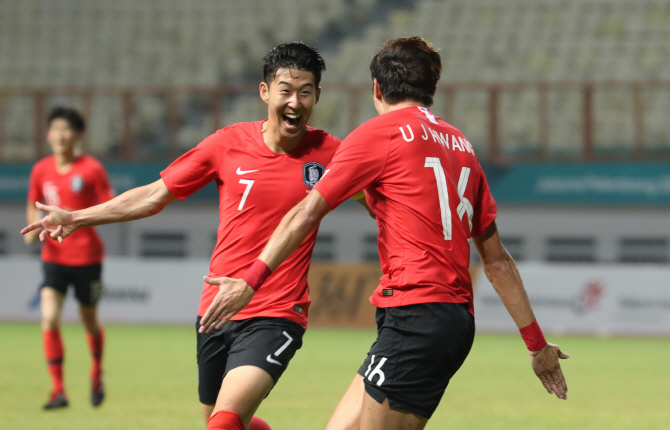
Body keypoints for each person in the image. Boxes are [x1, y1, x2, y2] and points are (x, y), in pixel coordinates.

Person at [196, 37, 570, 430]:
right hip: (449, 317)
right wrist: (536, 344)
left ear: (377, 88)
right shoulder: (462, 146)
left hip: (416, 313)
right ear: (431, 88)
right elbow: (496, 262)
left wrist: (251, 280)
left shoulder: (378, 135)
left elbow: (306, 212)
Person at [22, 42, 371, 430]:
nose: (295, 102)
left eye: (305, 92)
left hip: (276, 312)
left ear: (317, 96)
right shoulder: (227, 144)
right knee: (220, 420)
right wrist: (77, 217)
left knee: (223, 423)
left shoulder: (331, 154)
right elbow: (154, 195)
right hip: (216, 308)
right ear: (265, 92)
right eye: (285, 90)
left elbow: (378, 203)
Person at [24, 106, 115, 410]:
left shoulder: (92, 169)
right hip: (53, 258)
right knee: (49, 318)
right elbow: (32, 202)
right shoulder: (41, 169)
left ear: (78, 135)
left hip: (88, 258)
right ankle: (58, 390)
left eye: (66, 129)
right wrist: (31, 226)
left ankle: (97, 372)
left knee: (89, 321)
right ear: (47, 135)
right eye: (55, 129)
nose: (60, 135)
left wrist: (77, 217)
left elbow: (111, 206)